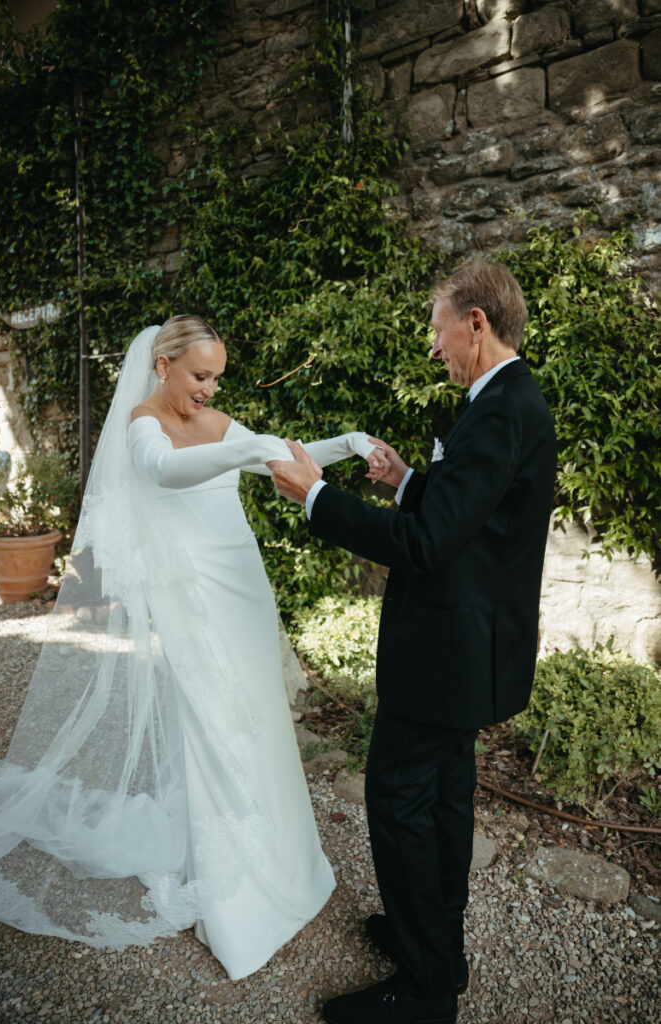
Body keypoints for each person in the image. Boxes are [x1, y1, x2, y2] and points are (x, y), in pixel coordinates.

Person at [0, 314, 381, 981]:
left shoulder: (220, 425)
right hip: (196, 602)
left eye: (217, 378)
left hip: (245, 592)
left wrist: (350, 440)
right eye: (200, 375)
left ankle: (287, 860)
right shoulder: (142, 422)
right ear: (162, 365)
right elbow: (163, 471)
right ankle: (236, 894)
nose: (209, 390)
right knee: (215, 726)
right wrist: (244, 452)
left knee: (259, 723)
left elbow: (283, 451)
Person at [271, 260, 557, 1024]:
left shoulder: (498, 409)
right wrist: (404, 480)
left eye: (438, 329)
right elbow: (473, 516)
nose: (433, 347)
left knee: (397, 799)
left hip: (445, 658)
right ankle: (426, 936)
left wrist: (318, 498)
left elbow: (429, 545)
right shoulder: (505, 401)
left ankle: (427, 989)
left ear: (475, 323)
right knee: (441, 798)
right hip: (465, 652)